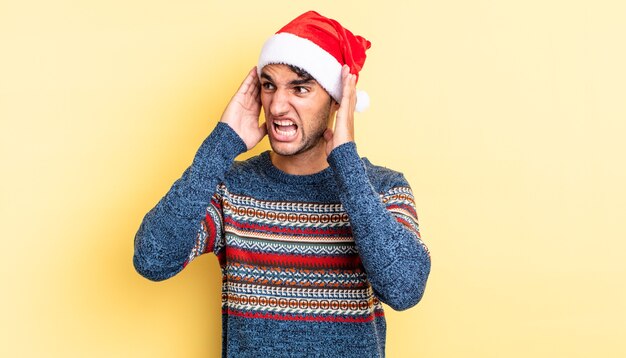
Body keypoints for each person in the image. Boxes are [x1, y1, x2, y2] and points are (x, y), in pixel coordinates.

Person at [133, 10, 431, 358]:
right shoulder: (232, 187)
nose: (276, 105)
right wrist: (221, 144)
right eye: (269, 85)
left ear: (336, 100)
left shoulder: (381, 188)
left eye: (300, 88)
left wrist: (346, 160)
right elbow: (153, 259)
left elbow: (406, 288)